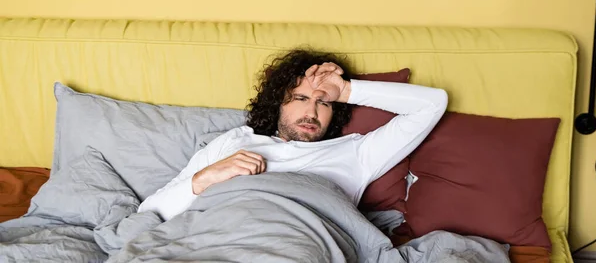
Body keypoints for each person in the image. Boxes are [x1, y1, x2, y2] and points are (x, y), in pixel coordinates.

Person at [138, 49, 448, 221]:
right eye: (300, 98)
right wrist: (205, 179)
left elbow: (432, 104)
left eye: (323, 102)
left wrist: (346, 90)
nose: (311, 113)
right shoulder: (234, 142)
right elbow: (148, 213)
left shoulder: (355, 153)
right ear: (278, 103)